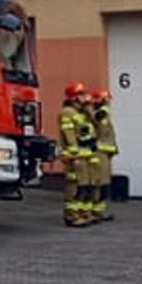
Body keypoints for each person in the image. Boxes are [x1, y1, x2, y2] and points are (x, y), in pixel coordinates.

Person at [58, 82, 96, 228]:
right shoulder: (67, 113)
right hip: (75, 157)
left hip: (84, 156)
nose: (84, 97)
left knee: (84, 187)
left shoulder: (81, 113)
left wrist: (88, 110)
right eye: (81, 94)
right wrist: (74, 156)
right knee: (73, 188)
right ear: (73, 97)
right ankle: (71, 216)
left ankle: (81, 213)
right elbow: (70, 136)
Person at [88, 89, 118, 223]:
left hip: (104, 154)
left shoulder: (101, 114)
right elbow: (101, 132)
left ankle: (99, 211)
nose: (108, 102)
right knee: (98, 183)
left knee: (103, 184)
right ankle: (94, 212)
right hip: (99, 154)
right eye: (106, 100)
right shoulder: (100, 114)